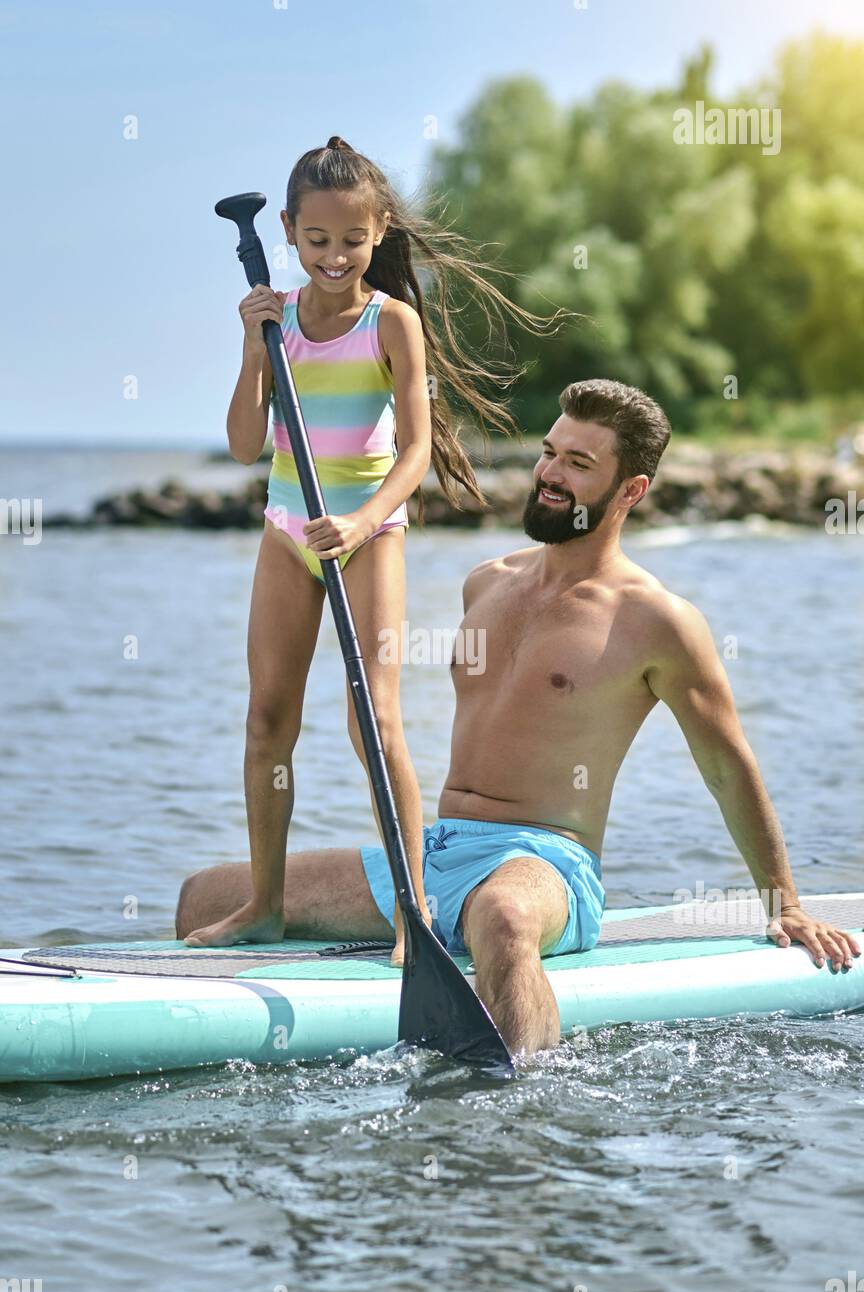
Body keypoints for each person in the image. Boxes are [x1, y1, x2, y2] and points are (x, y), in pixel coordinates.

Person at [177, 378, 860, 1055]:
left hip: (543, 863)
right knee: (206, 897)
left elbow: (726, 766)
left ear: (631, 491)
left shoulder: (656, 620)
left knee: (502, 918)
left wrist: (785, 905)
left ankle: (521, 1113)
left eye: (578, 463)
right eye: (549, 452)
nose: (550, 474)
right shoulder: (488, 581)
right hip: (433, 853)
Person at [186, 135, 569, 964]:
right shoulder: (276, 319)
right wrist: (255, 349)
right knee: (266, 722)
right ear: (286, 231)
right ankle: (264, 906)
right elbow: (247, 446)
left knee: (375, 718)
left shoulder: (390, 322)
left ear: (380, 231)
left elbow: (418, 451)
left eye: (352, 241)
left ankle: (413, 911)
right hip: (287, 532)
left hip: (367, 535)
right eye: (316, 240)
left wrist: (360, 526)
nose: (334, 256)